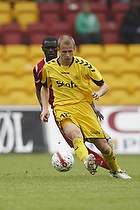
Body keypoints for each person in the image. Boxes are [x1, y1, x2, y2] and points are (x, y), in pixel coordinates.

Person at [40, 35, 131, 179]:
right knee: (75, 134)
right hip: (62, 108)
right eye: (64, 52)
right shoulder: (49, 68)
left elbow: (104, 85)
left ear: (74, 49)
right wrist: (45, 108)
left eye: (70, 51)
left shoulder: (84, 65)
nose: (68, 55)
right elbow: (44, 88)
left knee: (105, 148)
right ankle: (86, 161)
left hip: (84, 108)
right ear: (58, 50)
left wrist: (99, 93)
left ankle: (116, 171)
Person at [33, 36, 112, 172]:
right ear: (43, 49)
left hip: (79, 105)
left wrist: (93, 107)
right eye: (48, 48)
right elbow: (40, 89)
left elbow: (82, 88)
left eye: (53, 48)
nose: (51, 51)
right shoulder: (39, 69)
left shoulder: (75, 65)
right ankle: (104, 166)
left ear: (57, 49)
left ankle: (106, 159)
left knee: (87, 140)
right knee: (76, 141)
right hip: (60, 108)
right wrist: (44, 109)